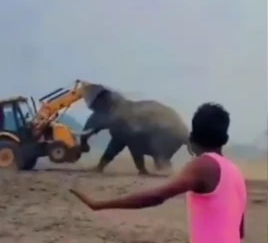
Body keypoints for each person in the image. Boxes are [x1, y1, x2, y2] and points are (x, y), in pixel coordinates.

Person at [70, 102, 247, 243]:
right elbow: (239, 230)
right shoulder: (235, 172)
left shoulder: (202, 166)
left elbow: (156, 197)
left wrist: (99, 204)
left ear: (192, 137)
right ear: (225, 138)